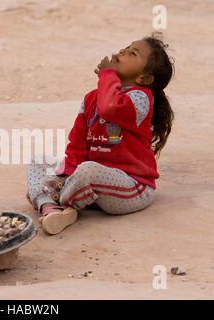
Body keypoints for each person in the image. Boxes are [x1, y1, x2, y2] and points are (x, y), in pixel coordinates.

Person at [27, 33, 175, 235]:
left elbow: (109, 108)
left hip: (132, 187)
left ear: (144, 77)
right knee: (39, 161)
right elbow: (77, 142)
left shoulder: (141, 98)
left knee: (88, 171)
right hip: (93, 187)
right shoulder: (91, 98)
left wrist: (108, 75)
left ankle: (52, 197)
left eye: (132, 53)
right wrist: (69, 171)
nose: (122, 51)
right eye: (126, 47)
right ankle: (51, 207)